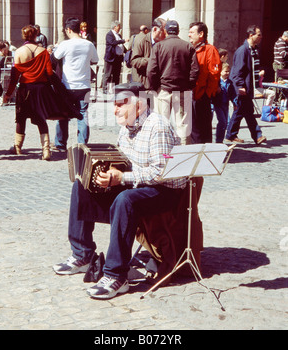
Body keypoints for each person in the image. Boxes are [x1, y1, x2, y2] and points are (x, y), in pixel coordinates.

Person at [53, 82, 189, 300]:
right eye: (114, 105)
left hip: (164, 191)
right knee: (83, 184)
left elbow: (162, 172)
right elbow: (122, 161)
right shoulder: (127, 126)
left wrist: (122, 178)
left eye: (120, 105)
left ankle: (117, 275)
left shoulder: (158, 127)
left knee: (126, 199)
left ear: (139, 106)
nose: (115, 110)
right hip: (137, 184)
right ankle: (82, 254)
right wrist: (107, 174)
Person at [3, 25, 81, 160]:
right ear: (35, 35)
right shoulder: (43, 51)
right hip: (41, 89)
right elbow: (50, 73)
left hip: (25, 89)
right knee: (40, 118)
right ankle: (46, 150)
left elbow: (15, 76)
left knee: (21, 118)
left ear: (23, 36)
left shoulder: (19, 52)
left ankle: (17, 147)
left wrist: (8, 93)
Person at [147, 20, 199, 145]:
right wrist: (189, 85)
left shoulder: (159, 46)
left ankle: (162, 151)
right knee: (184, 125)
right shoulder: (188, 46)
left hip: (164, 90)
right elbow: (195, 70)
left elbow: (151, 70)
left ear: (165, 31)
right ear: (178, 31)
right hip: (183, 90)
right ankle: (184, 153)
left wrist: (155, 87)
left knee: (161, 124)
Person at [52, 17, 99, 151]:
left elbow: (54, 59)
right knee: (83, 114)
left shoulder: (65, 44)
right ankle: (82, 144)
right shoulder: (89, 44)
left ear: (68, 29)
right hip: (84, 85)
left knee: (63, 115)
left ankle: (60, 144)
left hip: (67, 85)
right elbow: (95, 60)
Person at [225, 25, 267, 145]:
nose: (261, 37)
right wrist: (239, 86)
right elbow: (237, 71)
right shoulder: (242, 50)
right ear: (250, 35)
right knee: (247, 111)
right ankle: (257, 136)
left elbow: (252, 68)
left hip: (248, 87)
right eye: (258, 34)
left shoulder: (254, 50)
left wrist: (259, 73)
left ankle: (231, 135)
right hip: (243, 88)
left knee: (241, 111)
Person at [188, 22, 221, 144]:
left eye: (192, 32)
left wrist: (207, 93)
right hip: (192, 93)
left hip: (202, 95)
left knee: (203, 127)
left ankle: (205, 152)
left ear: (201, 34)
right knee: (194, 127)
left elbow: (214, 74)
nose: (189, 35)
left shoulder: (210, 50)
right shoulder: (191, 48)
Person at [131, 18, 166, 90]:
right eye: (163, 31)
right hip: (143, 84)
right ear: (155, 29)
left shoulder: (162, 43)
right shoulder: (141, 40)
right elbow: (134, 61)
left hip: (156, 85)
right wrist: (152, 60)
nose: (165, 35)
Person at [212, 62, 237, 143]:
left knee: (225, 123)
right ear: (220, 72)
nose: (227, 73)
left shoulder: (229, 82)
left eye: (228, 71)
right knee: (222, 121)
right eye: (225, 71)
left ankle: (221, 140)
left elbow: (233, 94)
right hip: (218, 104)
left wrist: (234, 103)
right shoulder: (217, 82)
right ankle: (218, 140)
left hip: (225, 104)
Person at [102, 21, 127, 95]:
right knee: (108, 74)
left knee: (117, 74)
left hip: (118, 58)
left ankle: (116, 88)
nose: (120, 28)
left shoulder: (118, 35)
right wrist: (123, 41)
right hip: (111, 58)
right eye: (119, 26)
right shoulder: (109, 34)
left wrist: (126, 50)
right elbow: (113, 42)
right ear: (115, 27)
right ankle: (105, 88)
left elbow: (120, 45)